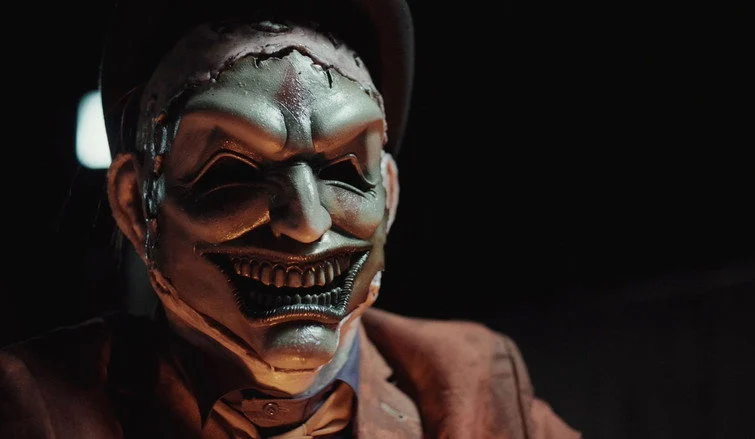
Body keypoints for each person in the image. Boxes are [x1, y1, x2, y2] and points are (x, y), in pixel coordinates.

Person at [0, 0, 580, 437]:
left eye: (346, 170)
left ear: (389, 195)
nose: (305, 222)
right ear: (135, 205)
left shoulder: (477, 384)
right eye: (232, 171)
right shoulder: (35, 407)